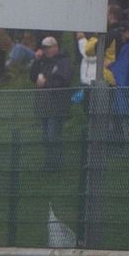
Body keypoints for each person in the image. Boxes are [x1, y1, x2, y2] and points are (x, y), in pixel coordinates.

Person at [29, 36, 73, 171]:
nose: (46, 51)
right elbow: (32, 77)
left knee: (53, 135)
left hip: (56, 104)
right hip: (44, 105)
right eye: (44, 48)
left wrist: (46, 83)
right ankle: (49, 163)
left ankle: (56, 164)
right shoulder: (43, 62)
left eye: (48, 48)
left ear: (55, 47)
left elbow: (64, 81)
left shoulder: (63, 62)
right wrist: (36, 61)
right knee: (46, 137)